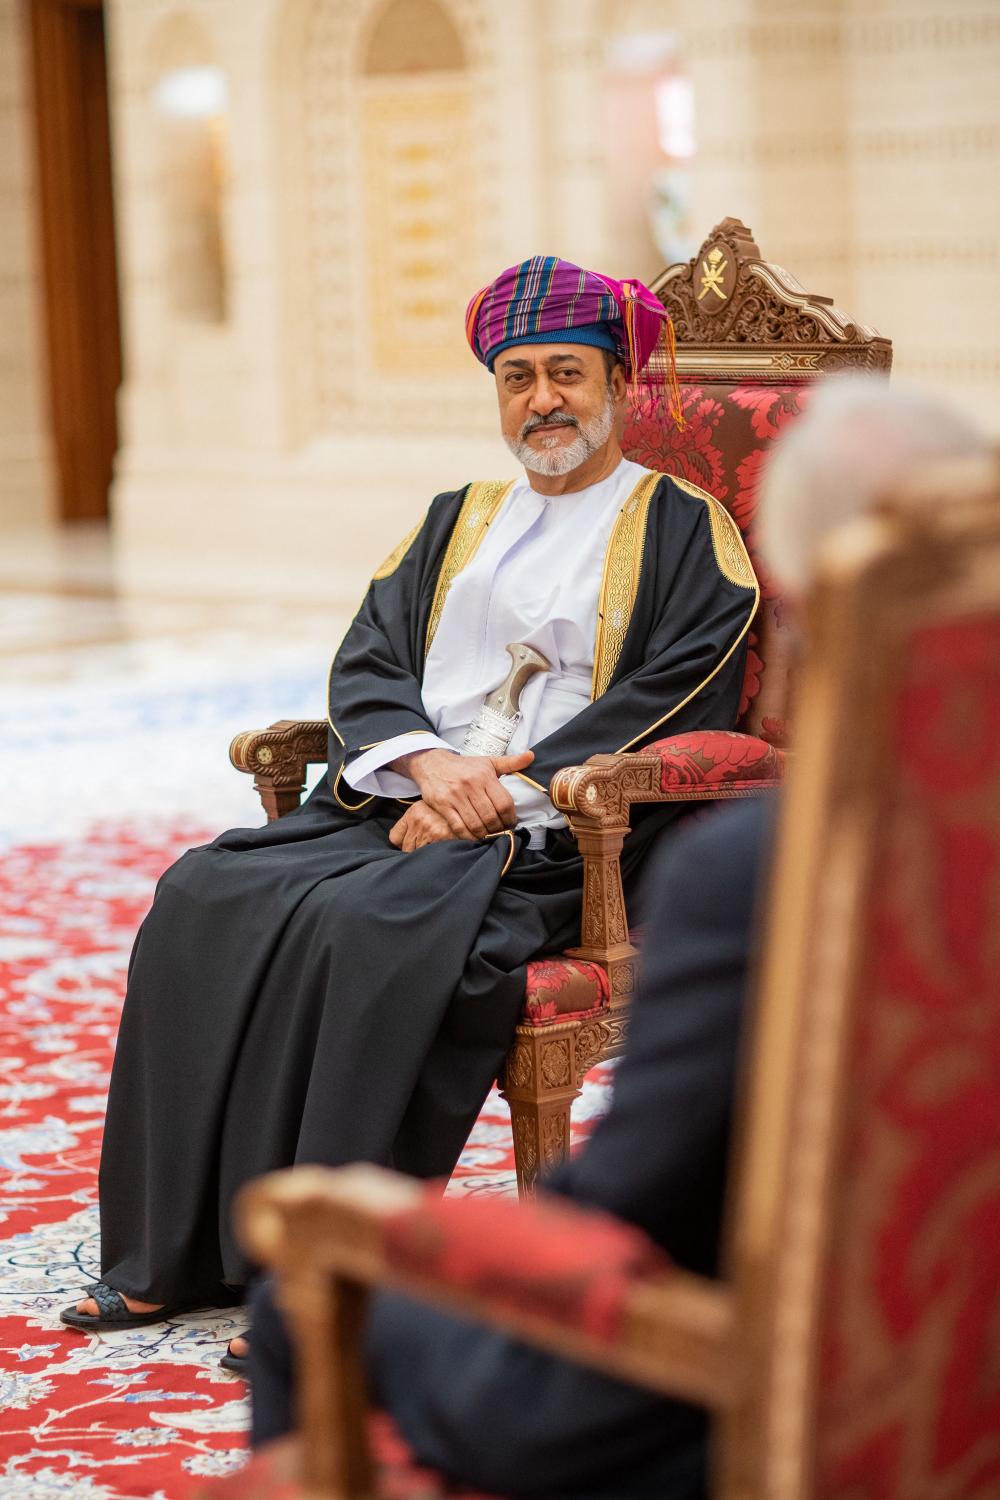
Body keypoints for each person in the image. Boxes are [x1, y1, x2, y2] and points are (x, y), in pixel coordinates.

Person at [245, 377, 991, 1498]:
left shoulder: (764, 875)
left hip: (758, 1403)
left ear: (798, 605)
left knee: (295, 1304)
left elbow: (629, 1210)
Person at [61, 256, 759, 1338]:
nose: (543, 400)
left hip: (557, 837)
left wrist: (496, 788)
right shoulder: (455, 518)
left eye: (568, 373)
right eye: (517, 376)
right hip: (404, 800)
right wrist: (428, 770)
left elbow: (681, 685)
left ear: (620, 387)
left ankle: (324, 1282)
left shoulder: (678, 525)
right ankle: (175, 1251)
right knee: (203, 895)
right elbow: (369, 659)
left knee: (373, 929)